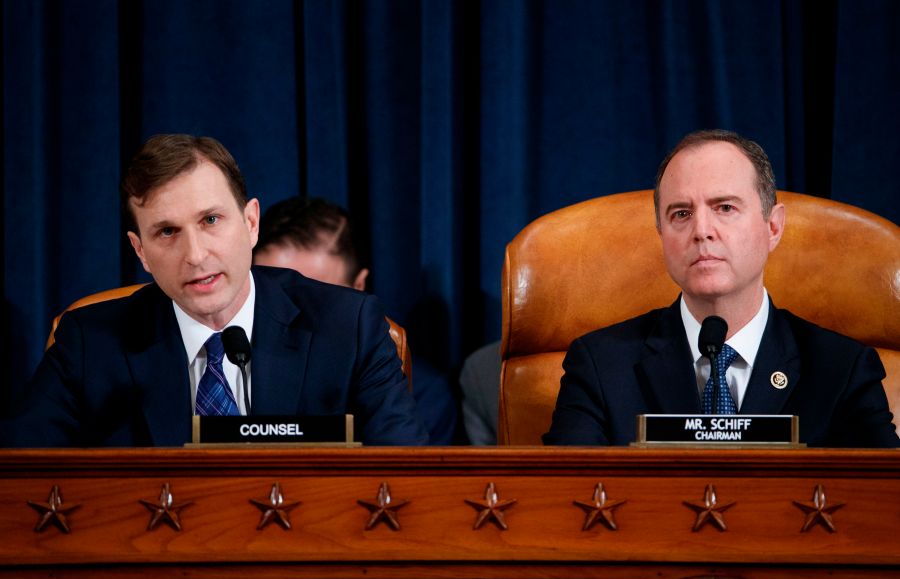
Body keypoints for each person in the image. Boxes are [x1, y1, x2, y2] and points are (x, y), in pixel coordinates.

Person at [7, 134, 428, 447]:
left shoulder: (348, 328)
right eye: (168, 232)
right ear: (141, 252)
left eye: (210, 220)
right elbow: (19, 487)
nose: (195, 254)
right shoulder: (89, 344)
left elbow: (406, 485)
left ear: (250, 223)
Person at [544, 129, 898, 448]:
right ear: (661, 236)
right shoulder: (600, 367)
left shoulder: (842, 370)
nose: (702, 230)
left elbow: (882, 507)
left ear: (773, 228)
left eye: (725, 208)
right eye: (680, 214)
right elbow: (565, 507)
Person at [253, 196, 459, 444]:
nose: (293, 313)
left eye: (315, 295)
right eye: (275, 292)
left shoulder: (416, 396)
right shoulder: (221, 368)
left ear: (358, 287)